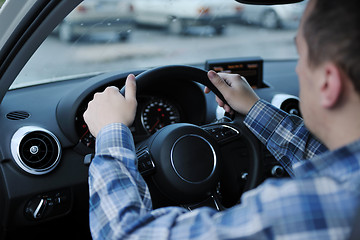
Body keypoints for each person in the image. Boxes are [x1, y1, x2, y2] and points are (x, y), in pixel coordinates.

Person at [83, 0, 360, 239]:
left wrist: (111, 132)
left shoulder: (311, 208)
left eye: (301, 56)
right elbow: (322, 156)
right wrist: (253, 108)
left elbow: (123, 233)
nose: (299, 69)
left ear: (327, 83)